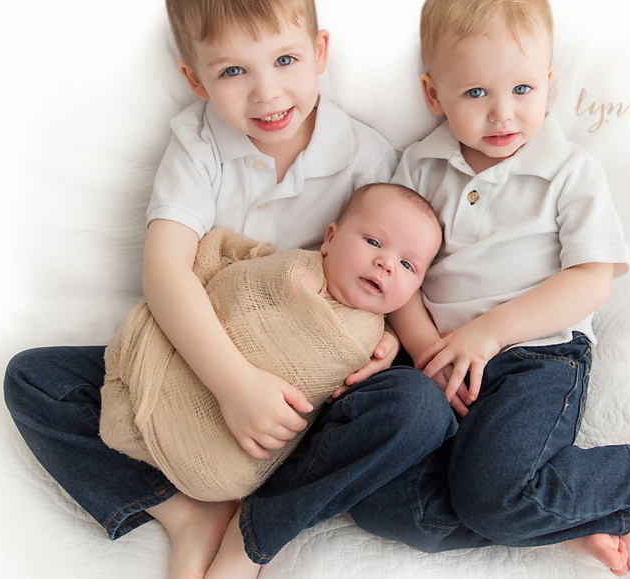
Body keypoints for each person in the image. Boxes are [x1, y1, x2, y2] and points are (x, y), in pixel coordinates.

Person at [4, 0, 454, 579]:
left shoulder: (367, 158)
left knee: (416, 410)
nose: (268, 94)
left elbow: (401, 271)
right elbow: (164, 270)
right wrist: (233, 383)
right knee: (32, 379)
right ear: (196, 78)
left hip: (310, 394)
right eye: (234, 71)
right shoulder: (198, 145)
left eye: (285, 59)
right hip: (206, 368)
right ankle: (186, 510)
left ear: (320, 52)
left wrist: (392, 339)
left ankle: (254, 532)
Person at [348, 0, 630, 575]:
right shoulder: (418, 167)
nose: (502, 113)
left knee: (490, 492)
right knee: (378, 502)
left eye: (523, 88)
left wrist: (491, 332)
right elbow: (399, 277)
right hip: (439, 358)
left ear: (548, 85)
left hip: (535, 357)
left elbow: (592, 278)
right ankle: (544, 520)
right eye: (475, 92)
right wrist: (426, 352)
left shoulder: (570, 172)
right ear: (433, 94)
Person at [100, 183, 443, 505]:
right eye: (373, 242)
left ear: (416, 289)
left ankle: (196, 499)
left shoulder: (373, 344)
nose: (386, 264)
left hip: (239, 448)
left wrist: (391, 339)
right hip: (190, 358)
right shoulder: (289, 269)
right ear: (330, 238)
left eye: (407, 264)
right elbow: (231, 290)